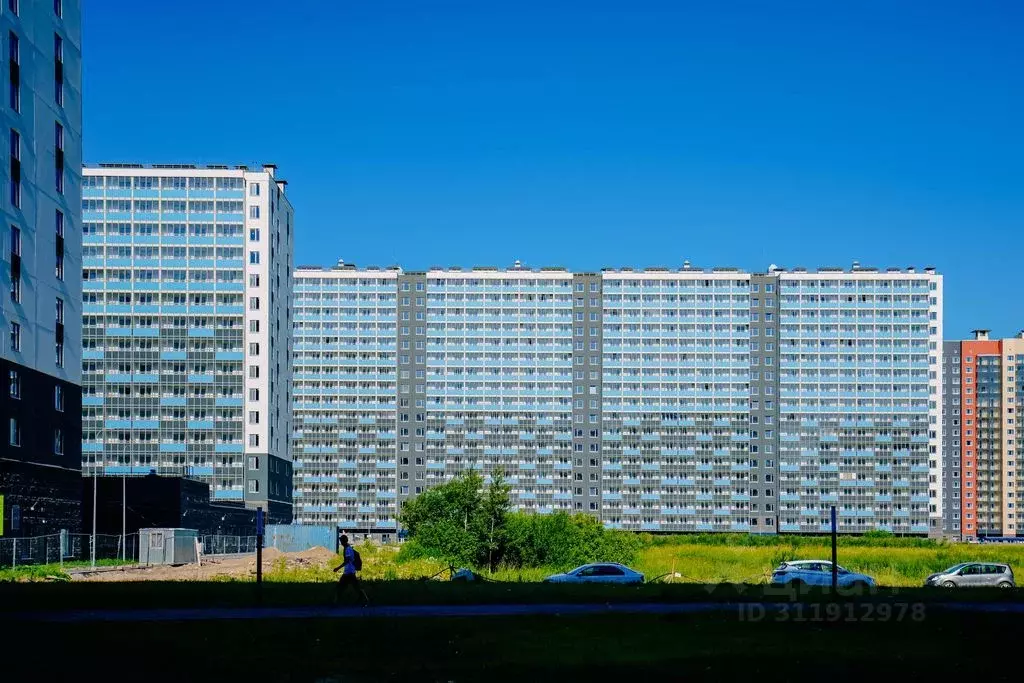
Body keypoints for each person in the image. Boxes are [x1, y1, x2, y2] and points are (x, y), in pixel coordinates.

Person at [333, 534, 369, 606]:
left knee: (340, 587)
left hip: (348, 572)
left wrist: (338, 568)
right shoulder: (348, 548)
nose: (340, 542)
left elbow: (347, 560)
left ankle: (336, 602)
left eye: (341, 540)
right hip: (350, 571)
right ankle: (365, 599)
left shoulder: (347, 549)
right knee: (356, 587)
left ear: (343, 541)